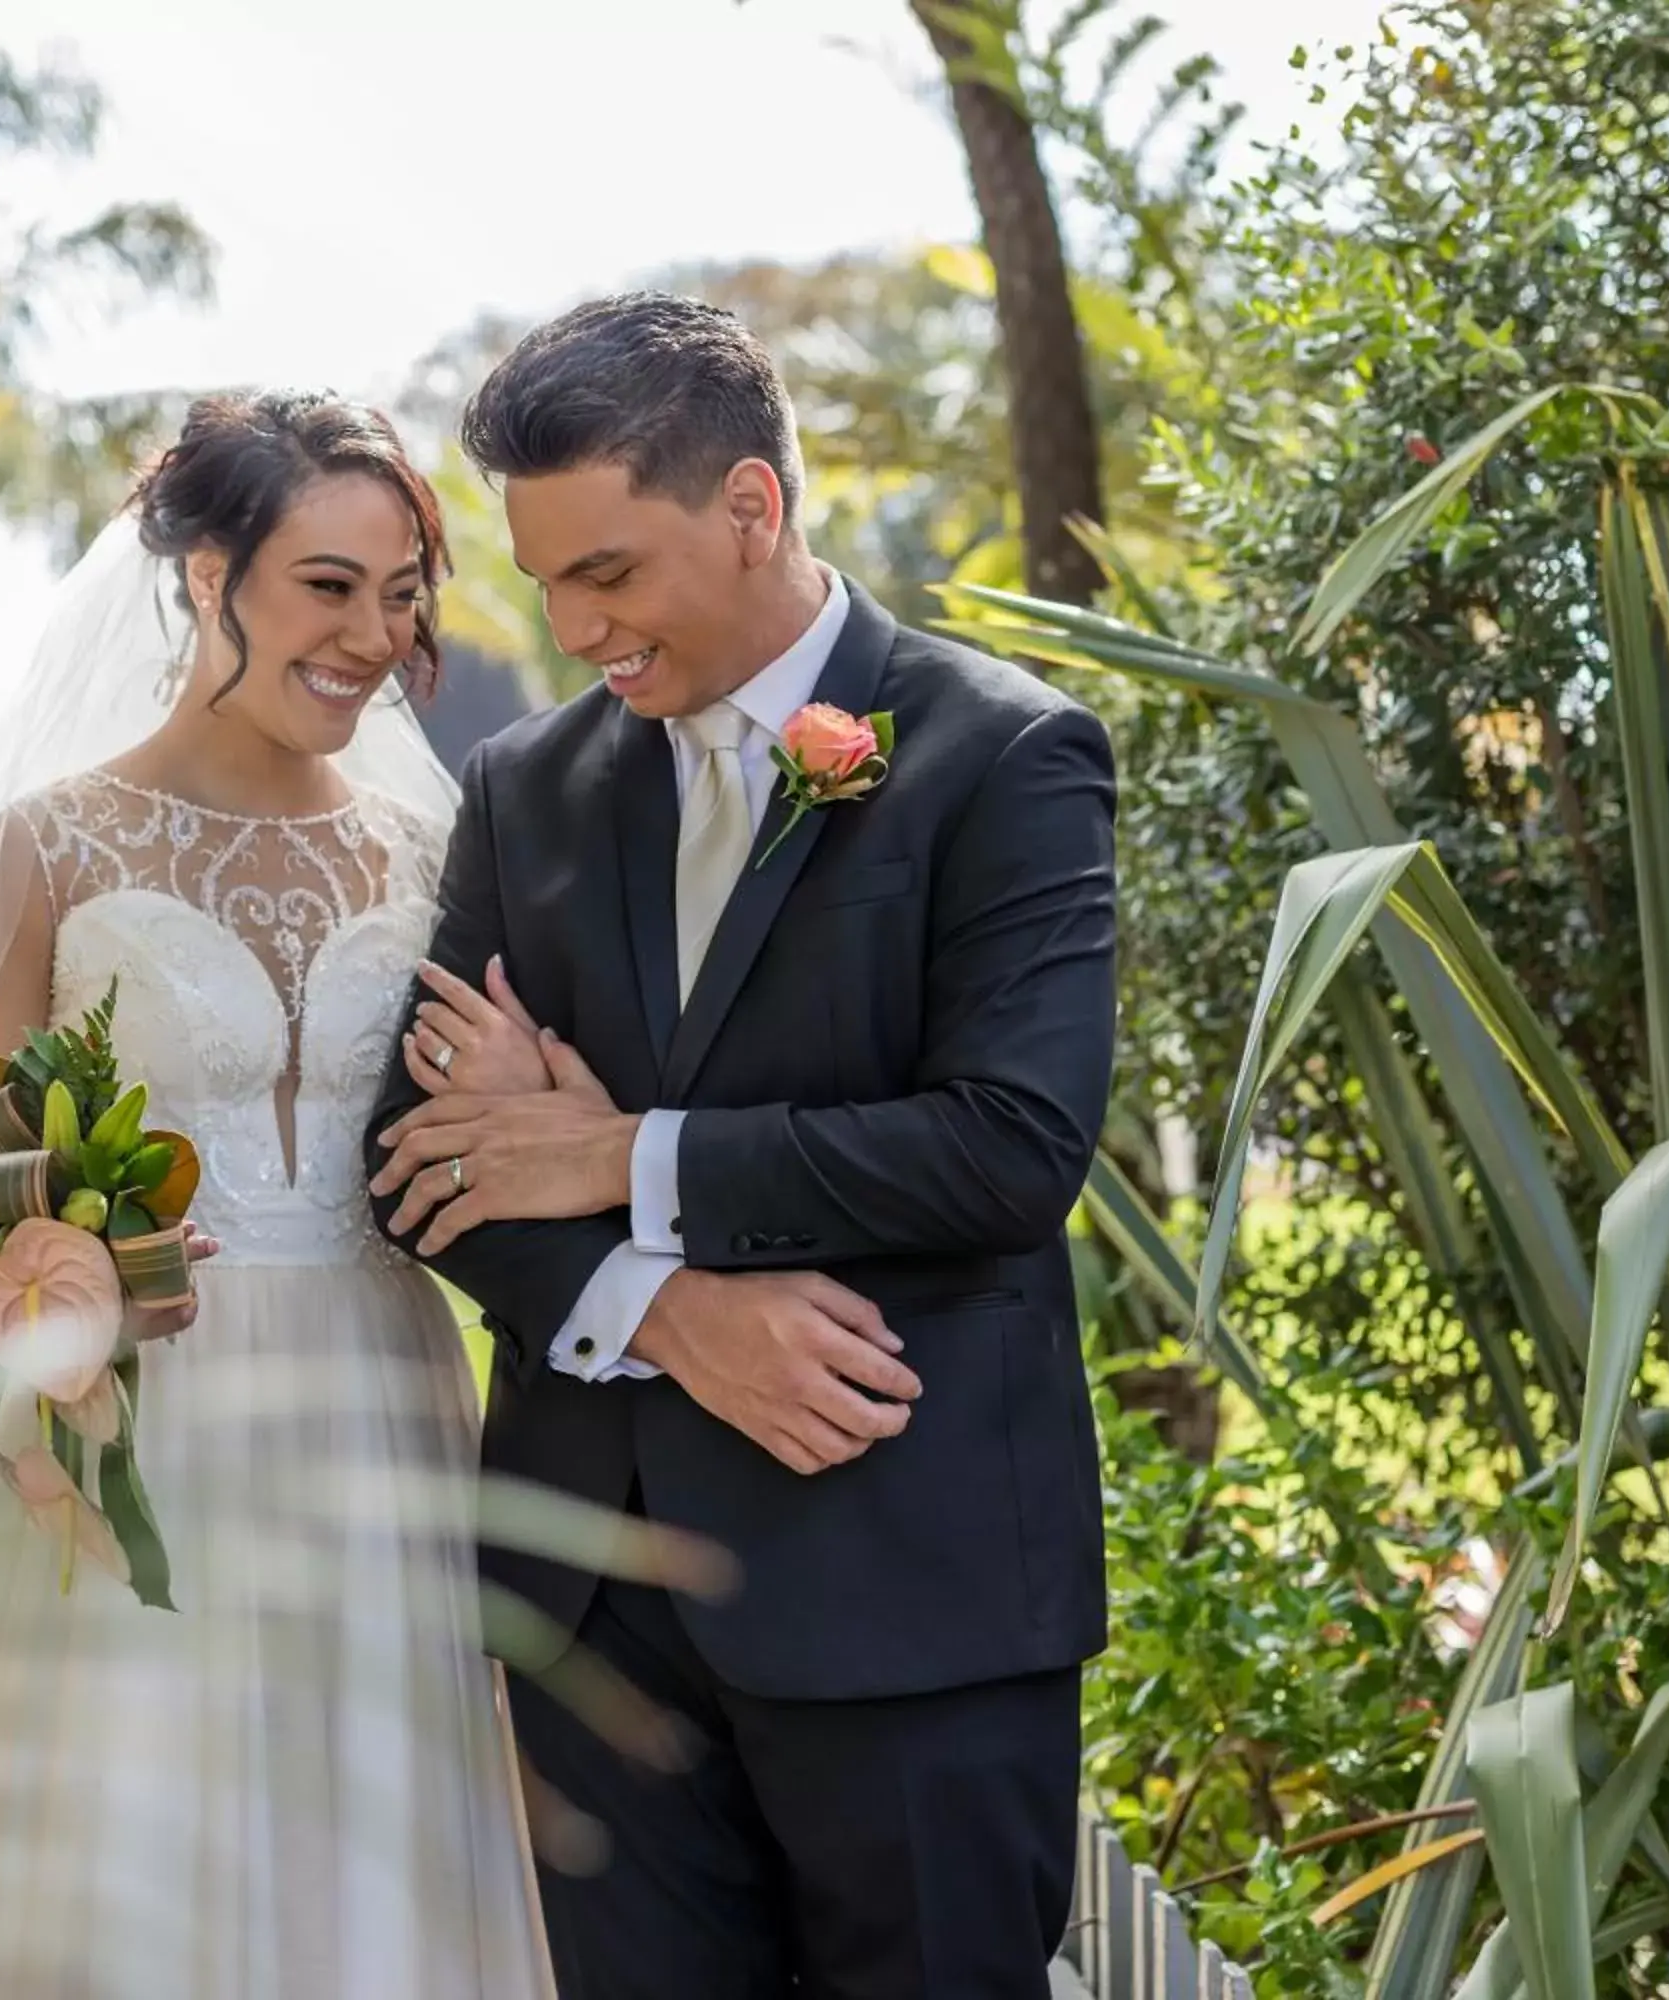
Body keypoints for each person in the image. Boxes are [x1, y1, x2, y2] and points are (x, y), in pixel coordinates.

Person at [0, 392, 552, 1998]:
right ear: (208, 573)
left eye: (401, 593)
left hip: (380, 1407)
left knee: (359, 1867)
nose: (373, 635)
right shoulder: (38, 852)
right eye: (327, 585)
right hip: (120, 1420)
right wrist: (40, 1349)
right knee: (123, 1870)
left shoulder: (433, 855)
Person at [364, 291, 1121, 1999]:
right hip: (596, 1612)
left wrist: (621, 1153)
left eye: (608, 573)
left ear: (753, 508)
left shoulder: (1001, 756)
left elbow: (1009, 1147)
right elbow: (416, 1155)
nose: (570, 629)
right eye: (545, 579)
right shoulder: (521, 791)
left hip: (908, 1595)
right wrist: (661, 1305)